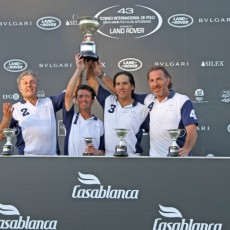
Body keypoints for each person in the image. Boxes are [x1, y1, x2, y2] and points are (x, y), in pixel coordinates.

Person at [97, 65, 198, 157]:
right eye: (152, 80)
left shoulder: (182, 100)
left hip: (177, 158)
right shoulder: (148, 100)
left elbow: (191, 130)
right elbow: (122, 92)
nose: (155, 84)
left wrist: (186, 149)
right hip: (154, 161)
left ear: (168, 80)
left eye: (159, 79)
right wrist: (101, 75)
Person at [86, 62, 149, 156]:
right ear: (114, 87)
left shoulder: (142, 109)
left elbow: (158, 130)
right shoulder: (108, 100)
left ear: (132, 86)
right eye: (118, 84)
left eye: (125, 83)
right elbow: (90, 79)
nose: (121, 87)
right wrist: (89, 62)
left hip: (132, 158)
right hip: (109, 157)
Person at [0, 70, 65, 156]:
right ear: (20, 88)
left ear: (37, 86)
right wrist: (6, 119)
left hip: (52, 159)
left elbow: (69, 94)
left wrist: (79, 71)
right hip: (27, 161)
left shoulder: (50, 102)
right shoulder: (15, 109)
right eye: (25, 83)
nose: (29, 85)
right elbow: (1, 136)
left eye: (32, 82)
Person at [63, 54, 104, 156]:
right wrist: (79, 70)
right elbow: (68, 95)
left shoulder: (100, 124)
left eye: (87, 96)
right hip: (71, 167)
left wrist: (97, 152)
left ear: (93, 100)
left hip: (94, 170)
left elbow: (104, 151)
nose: (84, 99)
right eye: (80, 96)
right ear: (76, 100)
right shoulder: (70, 118)